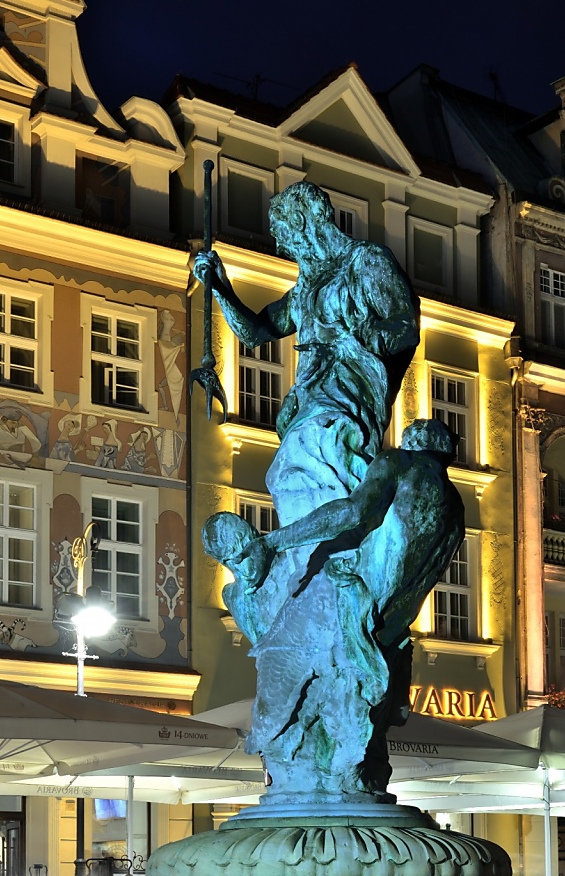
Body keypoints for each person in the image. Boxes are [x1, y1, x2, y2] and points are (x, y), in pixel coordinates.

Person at [207, 419, 464, 795]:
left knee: (288, 665)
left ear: (411, 443)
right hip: (387, 620)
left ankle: (294, 755)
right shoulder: (456, 507)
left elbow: (350, 513)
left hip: (350, 593)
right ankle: (336, 761)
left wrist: (275, 541)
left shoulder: (401, 464)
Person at [194, 180, 419, 532]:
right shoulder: (305, 290)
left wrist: (358, 341)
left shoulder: (367, 262)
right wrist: (221, 288)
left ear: (303, 223)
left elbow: (406, 327)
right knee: (285, 474)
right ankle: (307, 555)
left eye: (282, 233)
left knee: (327, 454)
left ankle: (340, 542)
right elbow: (254, 333)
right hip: (309, 396)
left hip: (349, 391)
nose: (281, 246)